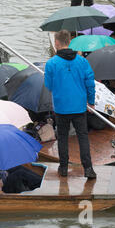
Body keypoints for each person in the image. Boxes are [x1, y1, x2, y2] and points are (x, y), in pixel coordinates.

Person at [44, 29, 97, 179]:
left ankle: (64, 167)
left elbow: (48, 85)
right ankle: (88, 169)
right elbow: (90, 83)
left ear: (56, 43)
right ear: (70, 42)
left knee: (62, 137)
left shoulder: (51, 63)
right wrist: (91, 102)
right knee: (83, 137)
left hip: (61, 107)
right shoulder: (82, 61)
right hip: (79, 106)